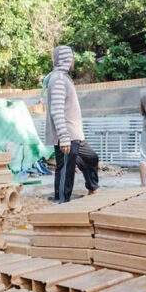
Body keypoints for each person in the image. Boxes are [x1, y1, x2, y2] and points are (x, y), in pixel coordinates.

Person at [44, 45, 99, 203]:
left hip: (75, 134)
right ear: (66, 58)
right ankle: (61, 203)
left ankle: (92, 187)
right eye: (72, 57)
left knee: (91, 158)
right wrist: (64, 136)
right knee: (66, 171)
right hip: (67, 135)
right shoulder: (58, 79)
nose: (74, 60)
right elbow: (57, 109)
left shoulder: (63, 77)